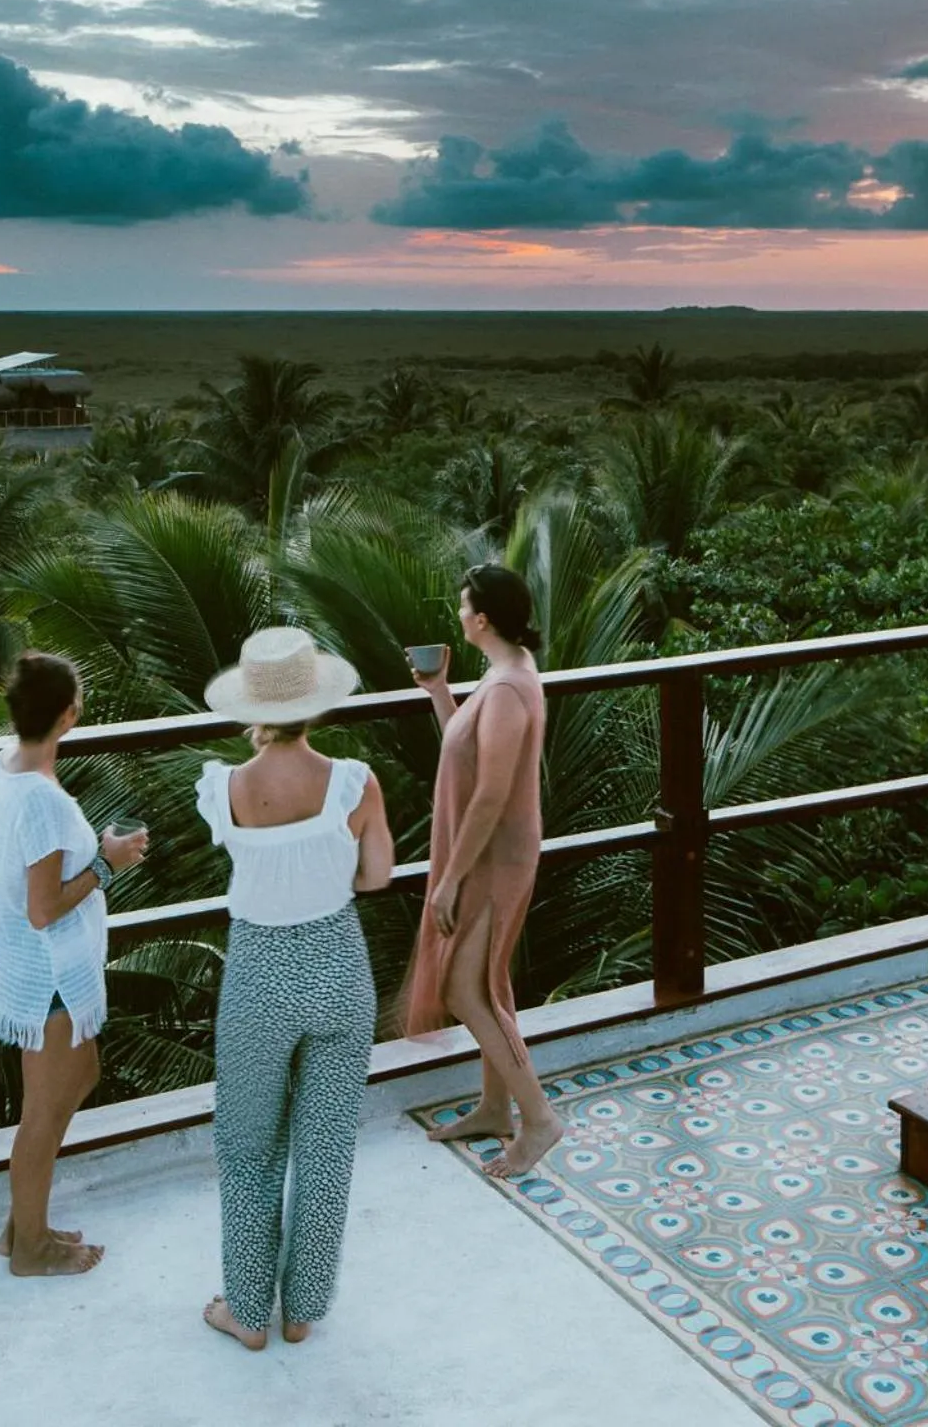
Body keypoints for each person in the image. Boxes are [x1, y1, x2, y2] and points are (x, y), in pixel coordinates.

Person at [195, 626, 395, 1351]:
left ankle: (247, 1314)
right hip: (339, 966)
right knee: (328, 1145)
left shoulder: (225, 788)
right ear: (317, 703)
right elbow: (375, 877)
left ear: (251, 706)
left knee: (248, 1145)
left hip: (259, 973)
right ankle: (304, 1309)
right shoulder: (354, 782)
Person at [0, 650, 148, 1277]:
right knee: (44, 1113)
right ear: (69, 716)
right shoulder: (42, 800)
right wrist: (108, 862)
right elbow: (45, 908)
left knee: (78, 1079)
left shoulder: (1, 768)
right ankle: (29, 1248)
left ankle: (27, 1220)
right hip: (48, 973)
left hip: (33, 971)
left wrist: (95, 852)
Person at [404, 563, 562, 1178]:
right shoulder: (507, 675)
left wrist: (448, 880)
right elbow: (468, 752)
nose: (458, 614)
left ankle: (539, 1119)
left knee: (463, 989)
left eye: (463, 606)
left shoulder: (505, 689)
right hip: (495, 852)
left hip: (495, 859)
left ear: (482, 618)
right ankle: (497, 1107)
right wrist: (441, 693)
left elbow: (490, 792)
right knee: (488, 982)